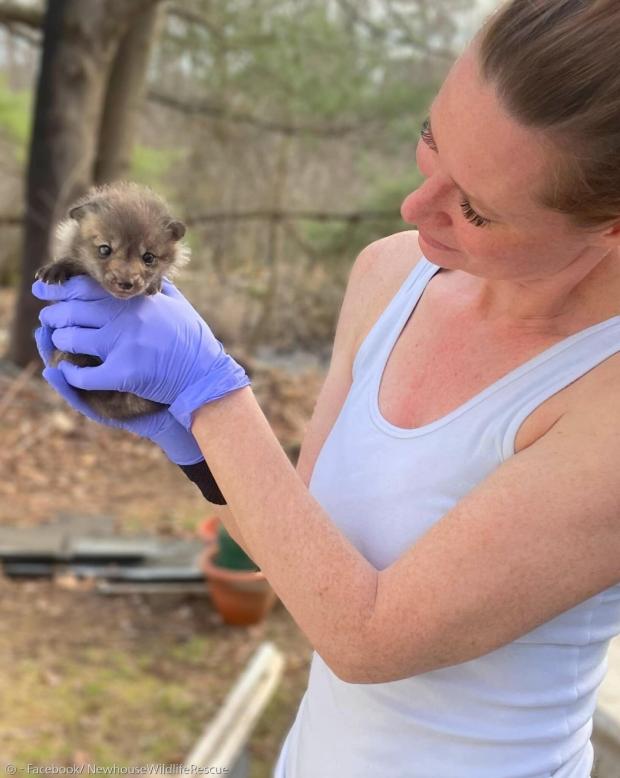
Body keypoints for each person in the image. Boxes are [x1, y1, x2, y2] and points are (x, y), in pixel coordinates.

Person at [31, 1, 620, 775]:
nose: (416, 211)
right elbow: (299, 548)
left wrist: (212, 392)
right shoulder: (390, 274)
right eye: (429, 138)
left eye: (474, 209)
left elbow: (366, 640)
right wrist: (189, 440)